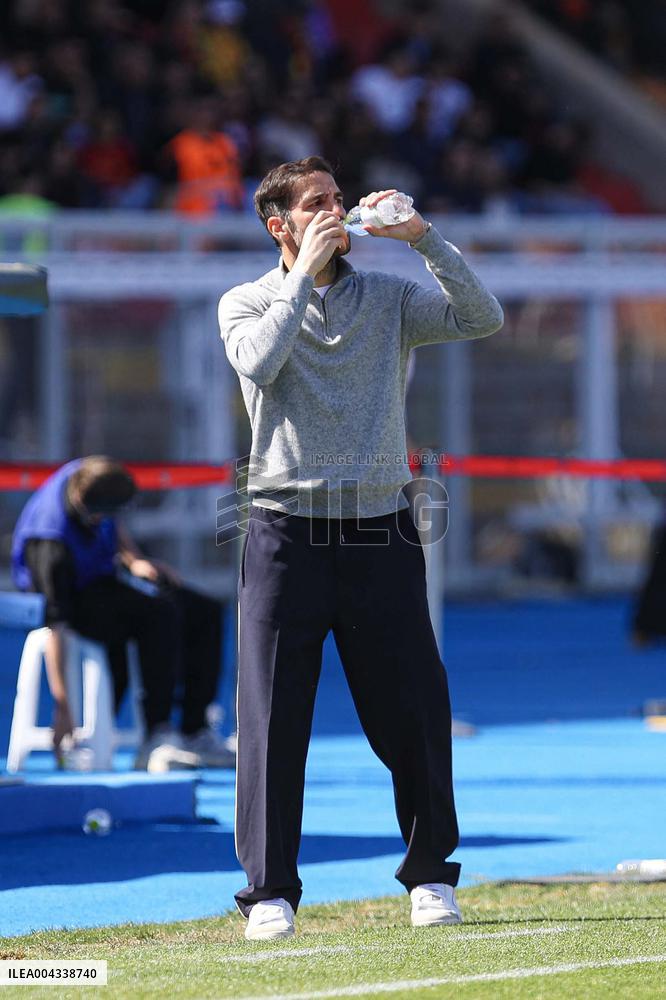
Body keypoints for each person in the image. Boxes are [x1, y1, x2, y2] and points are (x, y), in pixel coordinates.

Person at [218, 156, 503, 940]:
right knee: (273, 721)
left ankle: (430, 877)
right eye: (316, 204)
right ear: (280, 224)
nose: (335, 212)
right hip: (284, 532)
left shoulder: (386, 297)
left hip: (381, 528)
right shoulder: (245, 300)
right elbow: (259, 362)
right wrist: (301, 277)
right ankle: (270, 894)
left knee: (414, 709)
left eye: (337, 199)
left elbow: (482, 318)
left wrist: (424, 239)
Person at [11, 455, 234, 770]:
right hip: (70, 601)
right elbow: (55, 625)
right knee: (159, 614)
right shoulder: (50, 545)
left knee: (203, 610)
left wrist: (134, 560)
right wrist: (62, 706)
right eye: (103, 515)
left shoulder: (86, 473)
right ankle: (157, 732)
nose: (107, 521)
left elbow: (114, 527)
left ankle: (195, 730)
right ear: (83, 504)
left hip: (102, 579)